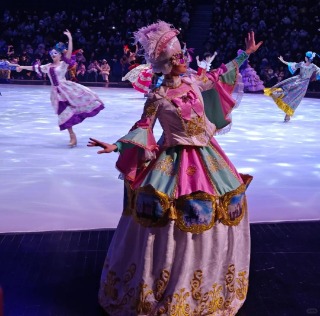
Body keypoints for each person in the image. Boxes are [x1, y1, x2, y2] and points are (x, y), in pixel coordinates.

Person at [88, 21, 262, 316]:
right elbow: (143, 129)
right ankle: (166, 281)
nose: (184, 61)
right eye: (177, 58)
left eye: (183, 56)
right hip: (173, 161)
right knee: (170, 216)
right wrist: (117, 147)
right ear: (165, 65)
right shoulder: (158, 98)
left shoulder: (195, 82)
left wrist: (245, 54)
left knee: (220, 206)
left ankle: (206, 280)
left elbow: (221, 74)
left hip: (208, 157)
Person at [16, 30, 104, 146]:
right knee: (63, 114)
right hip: (56, 94)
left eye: (55, 53)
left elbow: (70, 53)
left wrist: (70, 39)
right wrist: (21, 67)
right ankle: (72, 136)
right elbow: (34, 68)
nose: (53, 55)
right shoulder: (47, 66)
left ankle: (73, 137)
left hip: (66, 89)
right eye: (52, 54)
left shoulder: (63, 64)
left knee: (73, 107)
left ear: (60, 55)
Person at [264, 51, 320, 122]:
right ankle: (287, 114)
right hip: (301, 82)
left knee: (291, 93)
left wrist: (283, 61)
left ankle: (287, 114)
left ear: (306, 58)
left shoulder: (310, 66)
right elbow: (292, 64)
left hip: (300, 82)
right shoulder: (308, 65)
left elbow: (292, 64)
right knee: (295, 98)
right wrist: (283, 61)